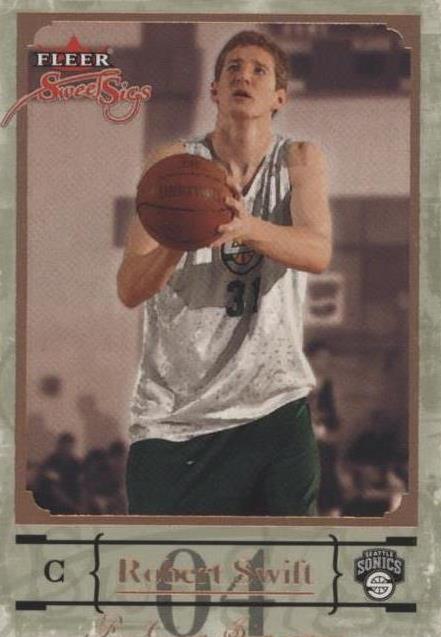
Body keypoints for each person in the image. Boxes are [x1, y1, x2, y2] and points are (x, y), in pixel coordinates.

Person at [117, 30, 332, 516]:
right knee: (165, 562)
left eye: (259, 70)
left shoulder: (299, 159)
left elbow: (317, 252)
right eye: (233, 67)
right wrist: (175, 243)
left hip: (274, 406)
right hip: (176, 416)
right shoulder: (173, 166)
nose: (244, 76)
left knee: (290, 561)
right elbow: (129, 289)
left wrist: (246, 227)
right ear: (214, 90)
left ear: (279, 97)